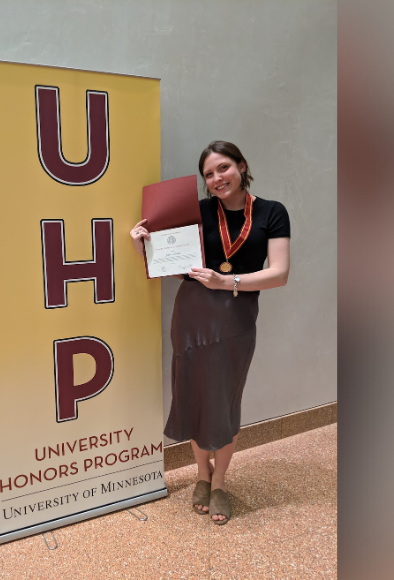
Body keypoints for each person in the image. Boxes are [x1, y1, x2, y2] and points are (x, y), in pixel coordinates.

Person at [130, 141, 291, 524]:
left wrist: (227, 282)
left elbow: (279, 274)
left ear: (242, 165)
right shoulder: (198, 212)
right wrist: (144, 249)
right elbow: (176, 265)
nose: (217, 178)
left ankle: (220, 481)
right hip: (191, 316)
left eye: (223, 168)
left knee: (223, 400)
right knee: (194, 396)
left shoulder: (271, 212)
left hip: (235, 319)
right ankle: (202, 474)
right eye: (209, 174)